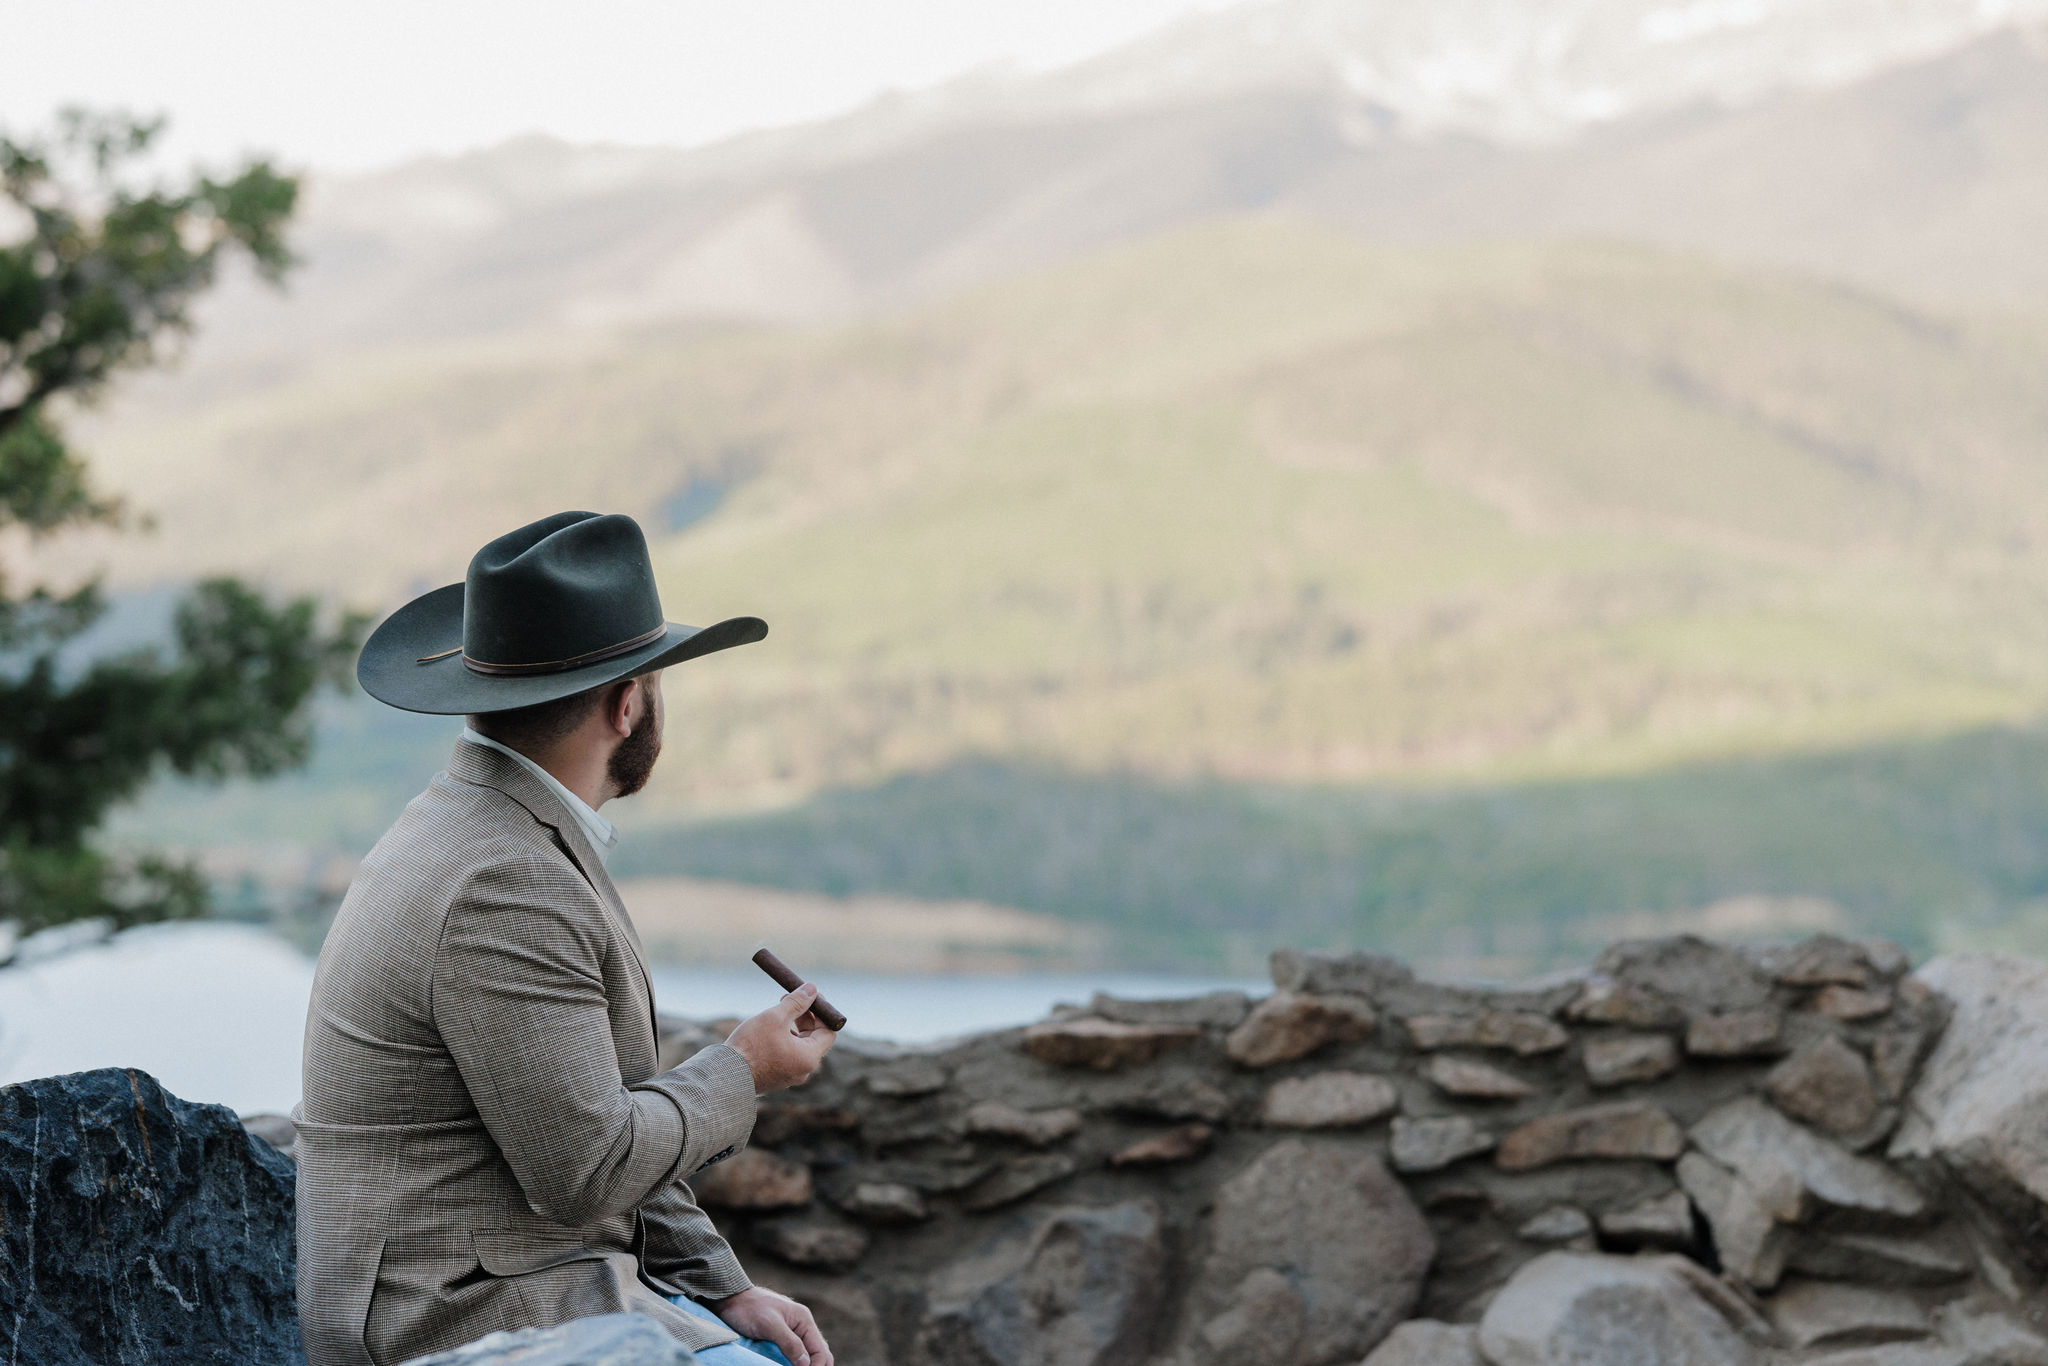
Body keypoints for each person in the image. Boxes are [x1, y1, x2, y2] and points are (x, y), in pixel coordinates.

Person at [294, 511, 837, 1366]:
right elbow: (590, 1167)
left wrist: (722, 1286)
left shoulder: (486, 829)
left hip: (521, 1286)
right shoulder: (506, 883)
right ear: (629, 704)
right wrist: (744, 1068)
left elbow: (592, 1105)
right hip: (449, 1320)